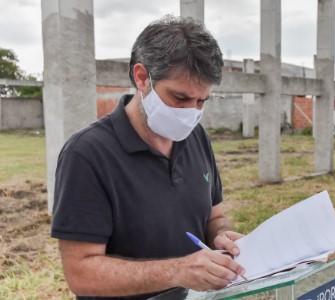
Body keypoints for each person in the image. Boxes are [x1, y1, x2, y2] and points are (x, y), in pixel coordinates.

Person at [51, 16, 246, 300]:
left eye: (202, 101)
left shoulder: (196, 137)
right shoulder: (87, 154)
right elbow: (81, 272)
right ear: (142, 77)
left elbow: (214, 215)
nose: (191, 112)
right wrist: (177, 271)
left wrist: (221, 234)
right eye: (180, 98)